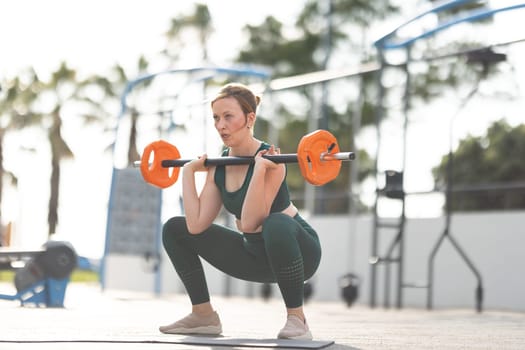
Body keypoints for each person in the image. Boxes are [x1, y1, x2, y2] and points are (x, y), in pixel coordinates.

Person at [159, 82, 322, 340]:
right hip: (255, 255)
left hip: (300, 253)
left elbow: (249, 222)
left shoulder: (273, 162)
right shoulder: (220, 164)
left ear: (250, 118)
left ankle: (297, 319)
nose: (220, 125)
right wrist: (188, 173)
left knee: (275, 224)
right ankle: (203, 315)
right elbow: (196, 225)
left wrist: (259, 170)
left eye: (228, 117)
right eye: (215, 118)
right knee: (174, 229)